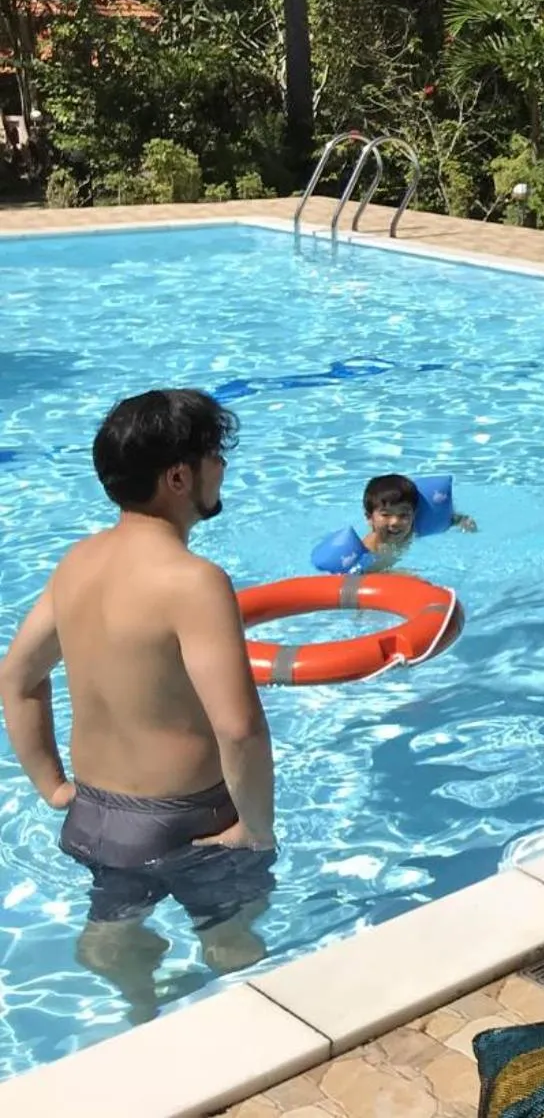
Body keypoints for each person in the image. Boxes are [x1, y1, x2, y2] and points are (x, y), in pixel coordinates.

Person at [0, 390, 276, 1024]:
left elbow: (16, 677)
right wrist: (254, 828)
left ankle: (129, 987)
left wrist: (53, 787)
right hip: (188, 823)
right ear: (178, 477)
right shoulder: (193, 581)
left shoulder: (78, 561)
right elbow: (239, 729)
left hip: (94, 818)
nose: (222, 468)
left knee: (116, 922)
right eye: (214, 455)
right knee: (234, 943)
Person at [359, 473, 477, 570]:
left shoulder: (412, 527)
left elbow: (451, 519)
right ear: (369, 518)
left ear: (414, 514)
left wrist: (462, 521)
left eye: (403, 515)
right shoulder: (371, 551)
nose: (395, 522)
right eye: (386, 515)